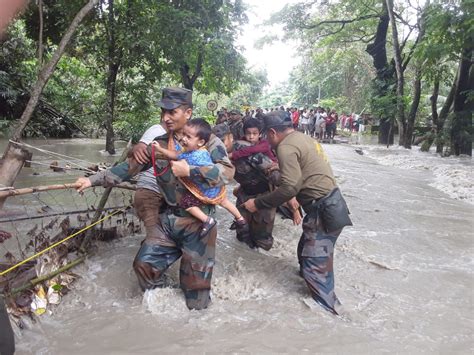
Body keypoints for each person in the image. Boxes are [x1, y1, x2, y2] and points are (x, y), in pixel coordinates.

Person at [75, 87, 235, 310]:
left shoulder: (207, 141)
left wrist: (191, 171)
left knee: (196, 295)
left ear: (188, 113)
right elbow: (128, 168)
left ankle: (193, 328)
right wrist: (92, 180)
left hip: (198, 225)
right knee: (144, 265)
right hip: (168, 220)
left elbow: (227, 173)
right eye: (163, 112)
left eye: (172, 112)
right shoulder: (158, 144)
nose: (165, 118)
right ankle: (167, 304)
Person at [242, 111, 352, 315]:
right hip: (332, 204)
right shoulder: (304, 138)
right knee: (305, 253)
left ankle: (333, 315)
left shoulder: (285, 146)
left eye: (266, 135)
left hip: (323, 209)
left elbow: (289, 188)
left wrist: (258, 203)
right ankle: (311, 310)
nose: (267, 141)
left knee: (314, 264)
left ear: (272, 132)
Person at [152, 118, 247, 237]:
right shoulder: (201, 150)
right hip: (216, 189)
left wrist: (187, 170)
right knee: (225, 201)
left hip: (203, 191)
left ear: (201, 142)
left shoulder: (193, 156)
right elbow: (176, 154)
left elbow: (177, 156)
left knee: (187, 203)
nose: (183, 139)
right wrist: (160, 149)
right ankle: (240, 218)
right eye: (184, 135)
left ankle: (207, 220)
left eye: (188, 137)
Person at [213, 122, 294, 251]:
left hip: (263, 196)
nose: (219, 146)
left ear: (230, 138)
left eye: (223, 141)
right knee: (242, 235)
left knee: (262, 241)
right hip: (244, 194)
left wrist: (289, 196)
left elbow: (275, 175)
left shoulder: (246, 151)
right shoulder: (215, 153)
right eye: (215, 142)